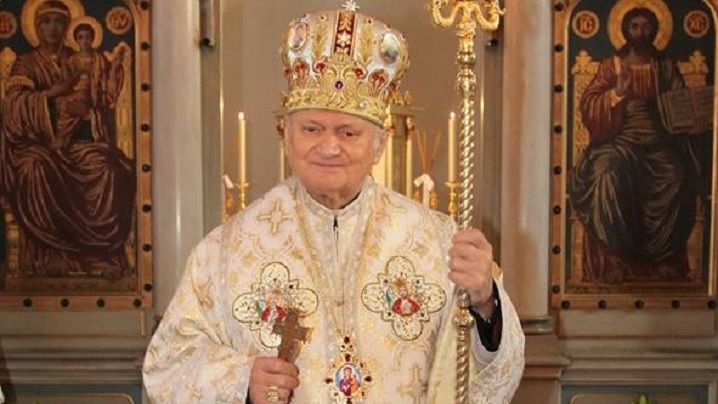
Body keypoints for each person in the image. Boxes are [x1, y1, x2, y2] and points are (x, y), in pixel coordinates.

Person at [142, 3, 525, 403]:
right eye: (312, 129)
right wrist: (240, 381)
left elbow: (499, 368)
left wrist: (485, 303)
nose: (329, 147)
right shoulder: (225, 253)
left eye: (348, 132)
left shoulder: (438, 241)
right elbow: (167, 365)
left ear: (379, 144)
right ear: (285, 136)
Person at [570, 6, 708, 284]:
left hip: (659, 141)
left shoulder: (665, 66)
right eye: (635, 26)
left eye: (646, 26)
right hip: (618, 140)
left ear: (655, 30)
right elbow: (590, 104)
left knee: (677, 174)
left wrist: (692, 113)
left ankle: (666, 260)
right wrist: (616, 93)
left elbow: (680, 103)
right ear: (625, 30)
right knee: (606, 172)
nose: (641, 32)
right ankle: (614, 261)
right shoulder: (612, 65)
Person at [0, 0, 135, 279]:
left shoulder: (81, 59)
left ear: (68, 27)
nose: (53, 28)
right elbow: (13, 108)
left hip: (77, 142)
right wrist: (52, 93)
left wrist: (88, 113)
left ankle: (98, 255)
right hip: (35, 145)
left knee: (109, 167)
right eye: (46, 21)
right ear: (36, 27)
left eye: (59, 21)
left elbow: (101, 100)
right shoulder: (26, 63)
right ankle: (50, 254)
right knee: (36, 167)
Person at [55, 20, 126, 148]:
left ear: (92, 39)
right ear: (76, 40)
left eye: (87, 37)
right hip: (75, 91)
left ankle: (63, 137)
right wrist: (64, 64)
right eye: (81, 37)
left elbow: (108, 75)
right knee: (60, 101)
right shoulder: (73, 59)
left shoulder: (99, 58)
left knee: (65, 103)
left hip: (92, 93)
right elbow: (66, 80)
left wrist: (115, 66)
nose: (84, 41)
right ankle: (63, 137)